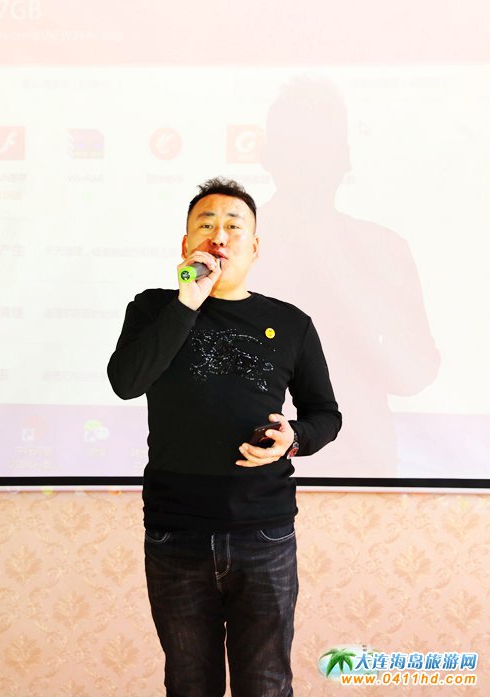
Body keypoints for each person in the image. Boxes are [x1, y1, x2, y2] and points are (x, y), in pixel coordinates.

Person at [107, 176, 342, 697]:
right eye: (206, 225)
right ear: (186, 244)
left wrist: (293, 439)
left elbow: (326, 415)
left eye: (234, 226)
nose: (219, 236)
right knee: (190, 683)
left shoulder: (291, 323)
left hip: (264, 530)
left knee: (266, 683)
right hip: (175, 531)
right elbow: (126, 382)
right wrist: (187, 301)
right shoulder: (153, 309)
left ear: (254, 247)